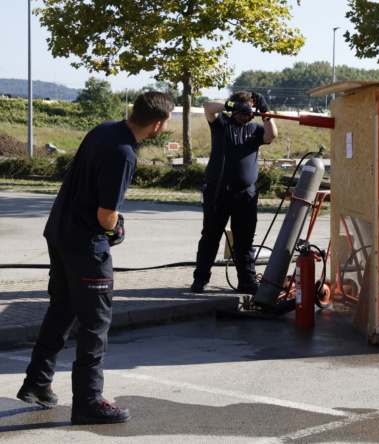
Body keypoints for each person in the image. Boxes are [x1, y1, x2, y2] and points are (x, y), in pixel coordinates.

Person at [17, 92, 175, 425]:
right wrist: (117, 230)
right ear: (158, 124)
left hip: (59, 232)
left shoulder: (104, 129)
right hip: (86, 246)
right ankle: (88, 401)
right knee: (95, 324)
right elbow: (106, 214)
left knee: (62, 309)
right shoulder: (124, 153)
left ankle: (38, 382)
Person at [190, 91, 277, 294]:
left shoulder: (255, 129)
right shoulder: (221, 123)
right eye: (245, 108)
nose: (249, 113)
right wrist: (231, 106)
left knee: (244, 240)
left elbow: (271, 135)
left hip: (245, 195)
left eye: (251, 109)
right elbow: (208, 106)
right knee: (210, 237)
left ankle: (246, 282)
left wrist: (265, 112)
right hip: (217, 192)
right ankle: (200, 279)